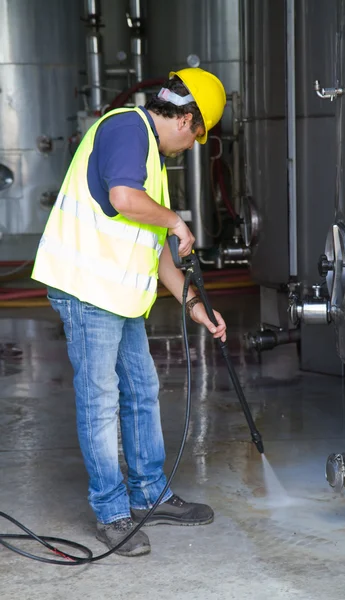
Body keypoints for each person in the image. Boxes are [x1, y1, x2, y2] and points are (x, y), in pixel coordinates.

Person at [31, 68, 227, 557]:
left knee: (141, 390)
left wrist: (197, 307)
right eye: (198, 134)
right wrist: (176, 219)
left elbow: (155, 250)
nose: (191, 144)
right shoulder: (125, 129)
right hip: (87, 292)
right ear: (187, 120)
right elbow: (122, 200)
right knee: (101, 403)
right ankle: (112, 513)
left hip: (118, 299)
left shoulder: (151, 161)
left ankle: (149, 495)